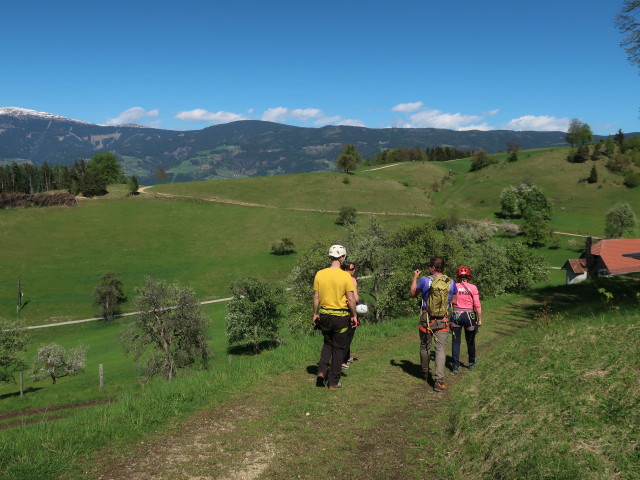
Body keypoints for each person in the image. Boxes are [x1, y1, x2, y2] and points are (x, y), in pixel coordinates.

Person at [313, 245, 358, 390]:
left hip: (325, 314)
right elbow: (351, 299)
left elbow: (316, 297)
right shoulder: (346, 276)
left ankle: (321, 371)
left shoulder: (320, 274)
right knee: (338, 349)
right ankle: (333, 382)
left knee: (327, 343)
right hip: (340, 316)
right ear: (342, 257)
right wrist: (354, 315)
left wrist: (315, 313)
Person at [410, 256, 457, 392]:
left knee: (425, 346)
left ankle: (424, 371)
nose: (428, 268)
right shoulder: (451, 282)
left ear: (433, 268)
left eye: (429, 266)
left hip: (427, 317)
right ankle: (439, 380)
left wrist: (414, 277)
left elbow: (413, 293)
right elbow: (454, 301)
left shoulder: (425, 280)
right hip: (443, 319)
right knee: (440, 350)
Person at [450, 266, 482, 374]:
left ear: (458, 276)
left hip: (456, 316)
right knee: (470, 340)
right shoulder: (473, 287)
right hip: (469, 316)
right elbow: (477, 304)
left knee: (456, 341)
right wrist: (480, 319)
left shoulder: (454, 286)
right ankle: (471, 362)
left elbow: (450, 301)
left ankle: (455, 365)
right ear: (468, 276)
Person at [341, 262, 360, 369]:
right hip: (349, 309)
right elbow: (355, 298)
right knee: (348, 335)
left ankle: (347, 356)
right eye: (352, 269)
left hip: (338, 309)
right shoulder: (351, 280)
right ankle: (342, 360)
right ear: (346, 270)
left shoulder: (338, 278)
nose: (354, 271)